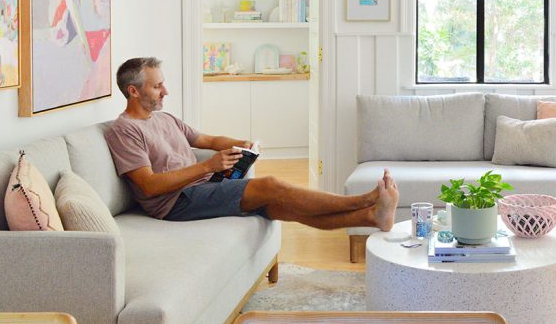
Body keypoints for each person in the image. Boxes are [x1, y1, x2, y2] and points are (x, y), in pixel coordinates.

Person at [104, 57, 398, 229]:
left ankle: (372, 217)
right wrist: (208, 165)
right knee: (270, 186)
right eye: (157, 86)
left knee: (280, 208)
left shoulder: (164, 118)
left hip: (202, 187)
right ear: (133, 91)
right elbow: (150, 185)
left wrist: (240, 144)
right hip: (175, 203)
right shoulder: (124, 130)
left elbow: (206, 139)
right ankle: (365, 199)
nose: (165, 91)